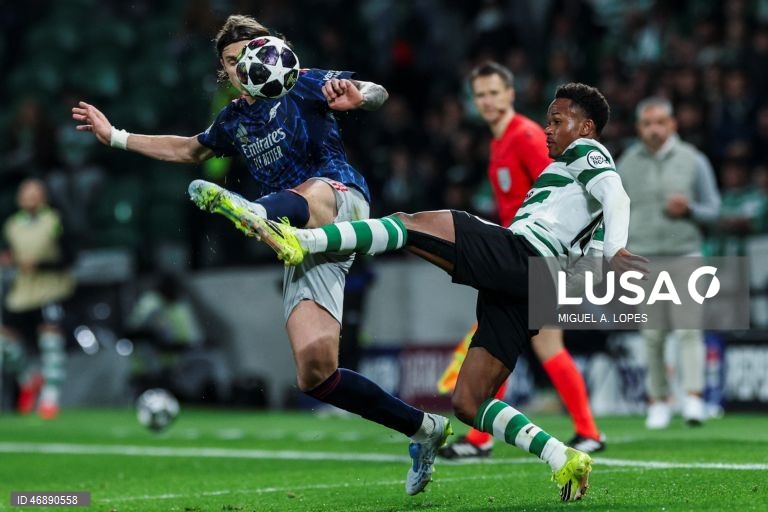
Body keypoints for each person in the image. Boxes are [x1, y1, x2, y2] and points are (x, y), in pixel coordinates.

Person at [72, 14, 449, 496]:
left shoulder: (303, 82)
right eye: (231, 60)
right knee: (316, 374)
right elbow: (190, 150)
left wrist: (361, 97)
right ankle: (423, 429)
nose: (242, 64)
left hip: (339, 201)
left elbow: (376, 92)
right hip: (300, 244)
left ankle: (257, 212)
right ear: (225, 72)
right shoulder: (233, 120)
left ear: (271, 53)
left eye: (250, 53)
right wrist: (115, 136)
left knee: (308, 194)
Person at [221, 83, 649, 501]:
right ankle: (563, 456)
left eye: (557, 120)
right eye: (547, 121)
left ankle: (303, 242)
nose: (548, 130)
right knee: (469, 402)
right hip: (536, 285)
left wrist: (617, 250)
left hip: (523, 254)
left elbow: (617, 194)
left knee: (409, 225)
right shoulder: (575, 180)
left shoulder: (586, 152)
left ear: (587, 127)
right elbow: (594, 236)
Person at [437, 62, 605, 460]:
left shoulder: (528, 137)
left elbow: (565, 188)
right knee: (512, 345)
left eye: (495, 93)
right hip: (520, 254)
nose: (488, 101)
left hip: (536, 256)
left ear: (511, 94)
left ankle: (586, 431)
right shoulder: (499, 142)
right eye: (481, 95)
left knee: (533, 346)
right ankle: (578, 431)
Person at [616, 97, 721, 429]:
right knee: (652, 335)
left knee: (689, 330)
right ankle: (659, 401)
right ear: (639, 129)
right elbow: (612, 211)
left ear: (673, 124)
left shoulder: (694, 160)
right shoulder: (626, 164)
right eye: (648, 124)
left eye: (661, 122)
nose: (655, 129)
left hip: (686, 253)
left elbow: (715, 210)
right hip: (643, 258)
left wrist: (690, 210)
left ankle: (693, 397)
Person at [0, 178, 76, 419]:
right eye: (26, 193)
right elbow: (8, 252)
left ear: (44, 196)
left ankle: (50, 398)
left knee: (50, 340)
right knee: (5, 343)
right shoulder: (12, 225)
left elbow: (70, 257)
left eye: (35, 193)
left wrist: (40, 264)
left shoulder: (54, 221)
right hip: (22, 292)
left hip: (50, 289)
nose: (30, 197)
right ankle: (28, 380)